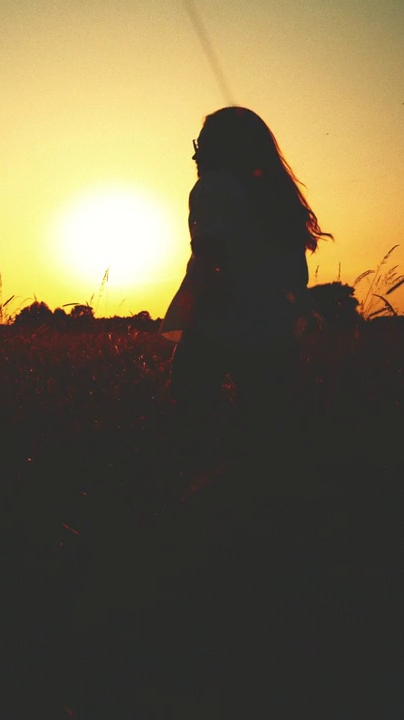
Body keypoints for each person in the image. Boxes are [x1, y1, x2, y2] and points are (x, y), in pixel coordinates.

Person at [161, 106, 331, 474]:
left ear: (222, 147)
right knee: (267, 436)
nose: (195, 153)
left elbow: (211, 255)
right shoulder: (274, 196)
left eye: (201, 144)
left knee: (189, 422)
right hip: (275, 323)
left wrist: (202, 313)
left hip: (223, 316)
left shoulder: (214, 187)